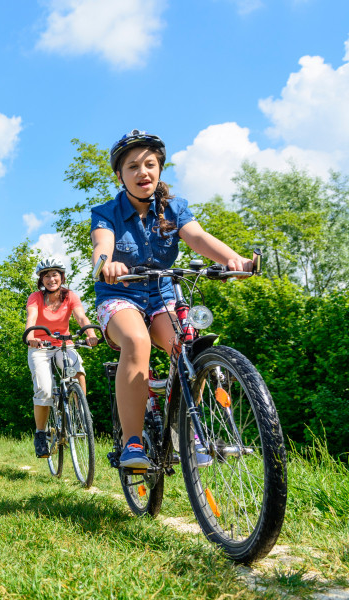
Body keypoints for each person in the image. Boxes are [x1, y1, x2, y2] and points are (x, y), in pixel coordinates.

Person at [91, 130, 252, 469]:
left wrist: (233, 260)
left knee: (187, 347)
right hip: (120, 295)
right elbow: (102, 245)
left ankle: (186, 428)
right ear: (119, 175)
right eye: (133, 166)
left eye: (150, 164)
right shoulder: (106, 212)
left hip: (162, 295)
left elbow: (199, 238)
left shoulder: (175, 209)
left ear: (159, 169)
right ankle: (132, 442)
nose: (142, 172)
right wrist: (106, 264)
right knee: (137, 341)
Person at [25, 258, 99, 459]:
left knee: (77, 370)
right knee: (44, 390)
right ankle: (41, 434)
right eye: (47, 276)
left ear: (62, 277)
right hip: (40, 346)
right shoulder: (35, 297)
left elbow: (81, 317)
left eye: (55, 275)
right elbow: (31, 318)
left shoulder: (70, 296)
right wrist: (31, 336)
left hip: (63, 343)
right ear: (41, 280)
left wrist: (90, 334)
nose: (51, 279)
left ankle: (81, 411)